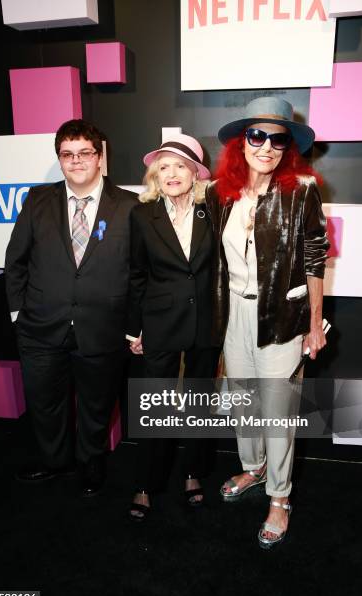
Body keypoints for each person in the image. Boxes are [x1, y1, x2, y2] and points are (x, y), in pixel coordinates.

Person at [207, 97, 329, 548]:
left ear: (287, 146)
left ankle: (280, 497)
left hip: (282, 316)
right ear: (242, 143)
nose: (267, 146)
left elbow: (315, 260)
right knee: (243, 403)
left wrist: (315, 325)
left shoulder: (301, 188)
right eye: (257, 136)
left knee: (278, 412)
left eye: (278, 138)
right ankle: (253, 468)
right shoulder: (222, 192)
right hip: (234, 313)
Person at [5, 119, 138, 497]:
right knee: (45, 403)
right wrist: (19, 314)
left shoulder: (130, 206)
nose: (76, 161)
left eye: (84, 153)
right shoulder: (37, 200)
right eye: (67, 154)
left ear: (100, 157)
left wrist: (132, 325)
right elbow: (15, 261)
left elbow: (140, 272)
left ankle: (90, 462)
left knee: (97, 405)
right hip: (41, 327)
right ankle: (54, 461)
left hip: (103, 328)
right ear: (60, 159)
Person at [126, 134, 220, 521]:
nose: (172, 173)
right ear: (154, 175)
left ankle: (194, 473)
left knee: (199, 402)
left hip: (206, 321)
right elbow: (136, 274)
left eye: (181, 165)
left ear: (196, 173)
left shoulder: (213, 208)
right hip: (159, 322)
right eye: (163, 167)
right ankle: (149, 481)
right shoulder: (141, 214)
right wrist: (136, 330)